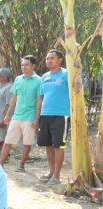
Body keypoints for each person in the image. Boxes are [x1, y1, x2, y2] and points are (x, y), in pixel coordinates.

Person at [0, 55, 42, 171]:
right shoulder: (18, 79)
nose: (24, 67)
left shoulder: (39, 80)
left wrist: (37, 118)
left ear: (33, 66)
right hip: (17, 115)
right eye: (22, 65)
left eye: (26, 65)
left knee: (27, 142)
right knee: (8, 140)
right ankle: (0, 165)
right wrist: (8, 114)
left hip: (30, 116)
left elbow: (39, 101)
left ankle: (21, 165)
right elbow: (14, 98)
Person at [37, 49, 70, 185]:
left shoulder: (67, 74)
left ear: (60, 60)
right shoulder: (44, 77)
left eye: (52, 58)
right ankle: (51, 172)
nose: (48, 61)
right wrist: (37, 117)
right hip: (45, 115)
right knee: (48, 145)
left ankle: (57, 175)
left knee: (58, 145)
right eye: (47, 58)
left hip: (61, 115)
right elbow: (40, 98)